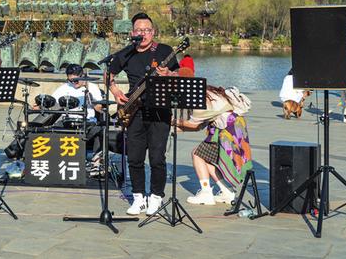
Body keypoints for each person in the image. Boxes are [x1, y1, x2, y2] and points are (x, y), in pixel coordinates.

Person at [108, 12, 179, 216]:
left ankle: (156, 197)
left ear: (153, 32)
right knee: (135, 157)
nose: (143, 34)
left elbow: (182, 74)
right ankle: (138, 198)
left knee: (157, 158)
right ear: (132, 33)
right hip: (134, 111)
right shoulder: (126, 53)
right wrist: (115, 91)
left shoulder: (164, 51)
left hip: (160, 111)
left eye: (147, 30)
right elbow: (108, 74)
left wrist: (169, 74)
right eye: (139, 30)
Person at [174, 86, 253, 206]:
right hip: (235, 128)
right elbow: (199, 126)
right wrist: (172, 129)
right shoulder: (210, 94)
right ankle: (227, 192)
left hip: (227, 132)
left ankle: (206, 194)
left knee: (197, 154)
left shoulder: (204, 101)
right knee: (204, 157)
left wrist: (172, 121)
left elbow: (194, 124)